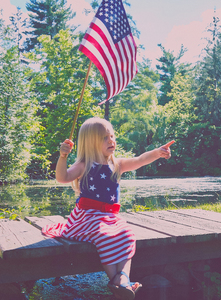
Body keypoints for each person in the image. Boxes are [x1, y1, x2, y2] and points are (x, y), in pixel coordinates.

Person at [42, 117, 174, 300]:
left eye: (112, 136)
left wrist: (157, 152)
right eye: (105, 138)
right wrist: (63, 157)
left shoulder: (116, 164)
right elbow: (62, 177)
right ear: (91, 143)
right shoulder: (84, 165)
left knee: (127, 234)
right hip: (87, 216)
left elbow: (140, 160)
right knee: (104, 235)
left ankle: (122, 279)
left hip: (109, 217)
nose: (111, 140)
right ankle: (118, 282)